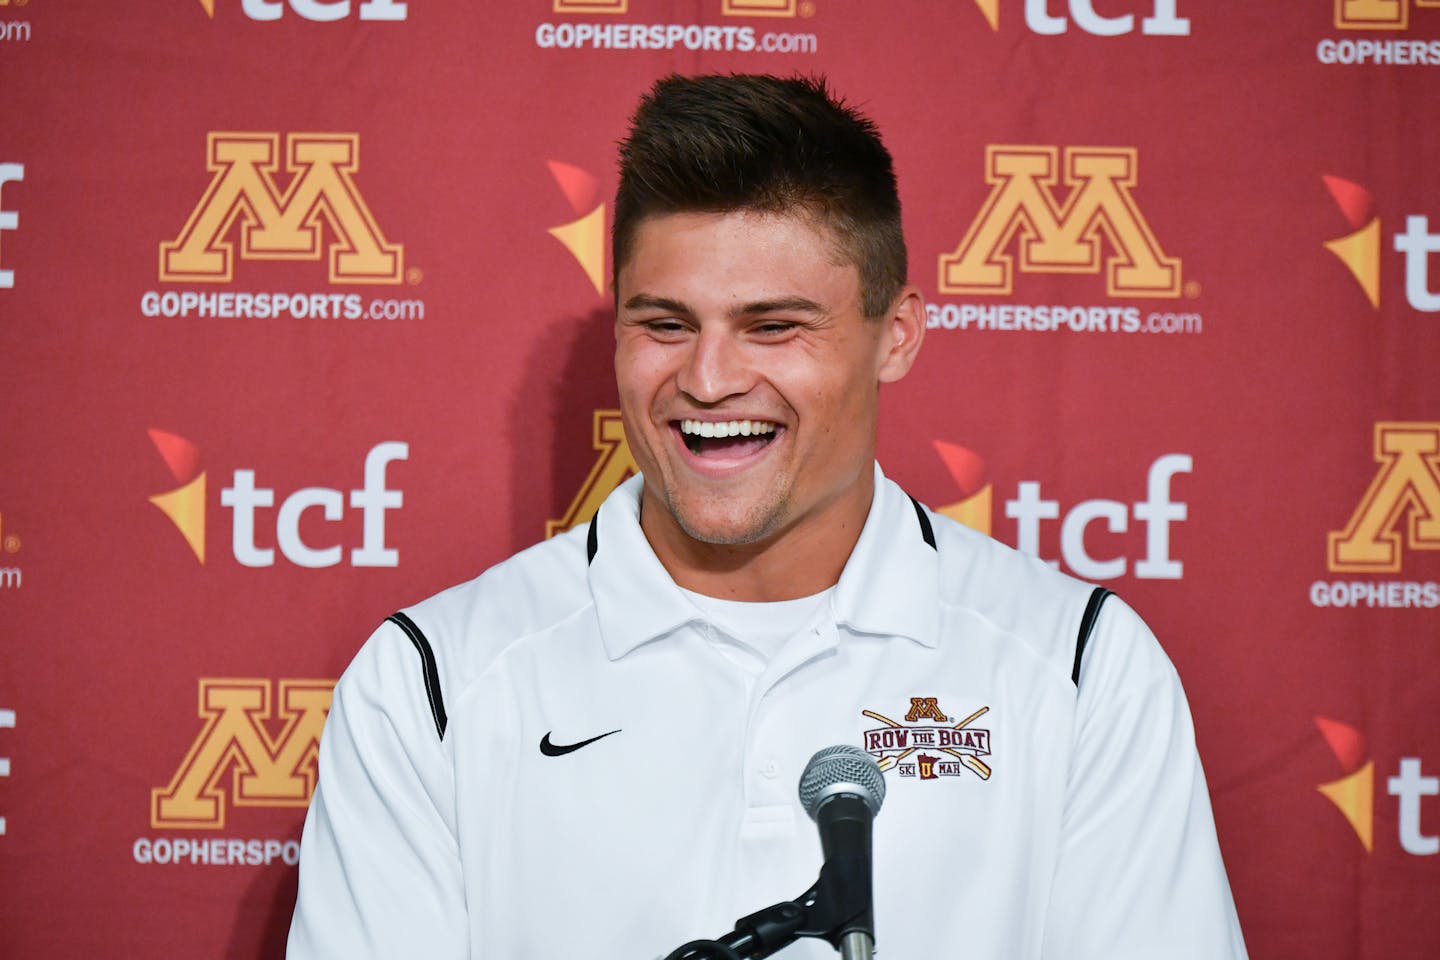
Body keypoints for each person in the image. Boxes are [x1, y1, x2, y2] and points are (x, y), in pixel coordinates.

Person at [287, 73, 1248, 959]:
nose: (708, 381)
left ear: (897, 335)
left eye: (774, 326)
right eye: (665, 324)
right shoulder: (430, 686)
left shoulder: (1082, 671)